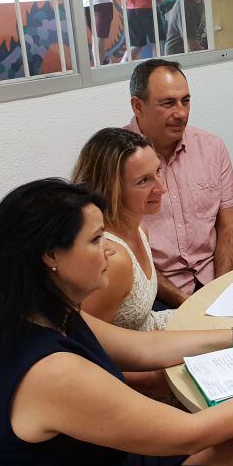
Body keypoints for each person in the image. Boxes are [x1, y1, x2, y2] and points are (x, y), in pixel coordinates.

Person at [0, 178, 233, 466]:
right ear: (50, 256)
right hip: (130, 454)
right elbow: (189, 433)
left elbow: (145, 348)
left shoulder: (33, 315)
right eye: (95, 240)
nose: (110, 250)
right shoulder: (51, 371)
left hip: (108, 452)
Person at [125, 59, 233, 307]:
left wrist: (223, 290)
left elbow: (229, 226)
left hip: (213, 282)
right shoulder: (115, 159)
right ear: (138, 106)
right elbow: (123, 249)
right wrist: (186, 302)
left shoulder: (212, 148)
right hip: (155, 292)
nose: (181, 113)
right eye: (168, 103)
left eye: (185, 101)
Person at [71, 127, 170, 331]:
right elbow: (92, 345)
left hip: (153, 332)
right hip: (137, 357)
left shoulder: (141, 229)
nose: (161, 188)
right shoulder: (114, 258)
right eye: (143, 181)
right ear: (111, 189)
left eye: (158, 171)